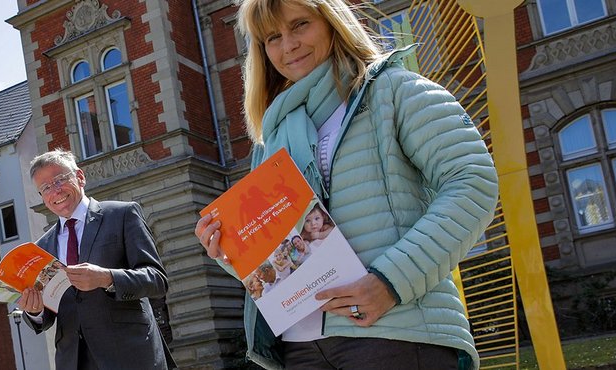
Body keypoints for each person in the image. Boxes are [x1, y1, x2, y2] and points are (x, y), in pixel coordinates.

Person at [194, 0, 499, 369]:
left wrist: (390, 282)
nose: (288, 45)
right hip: (300, 348)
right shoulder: (271, 138)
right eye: (272, 37)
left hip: (396, 332)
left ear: (331, 22)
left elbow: (472, 182)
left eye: (300, 25)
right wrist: (229, 250)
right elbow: (280, 253)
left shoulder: (393, 90)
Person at [15, 149, 175, 369]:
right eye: (46, 188)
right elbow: (50, 313)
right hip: (74, 360)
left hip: (129, 354)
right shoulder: (42, 247)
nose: (55, 191)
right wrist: (34, 311)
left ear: (80, 177)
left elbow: (157, 280)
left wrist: (107, 278)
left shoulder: (122, 214)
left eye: (60, 179)